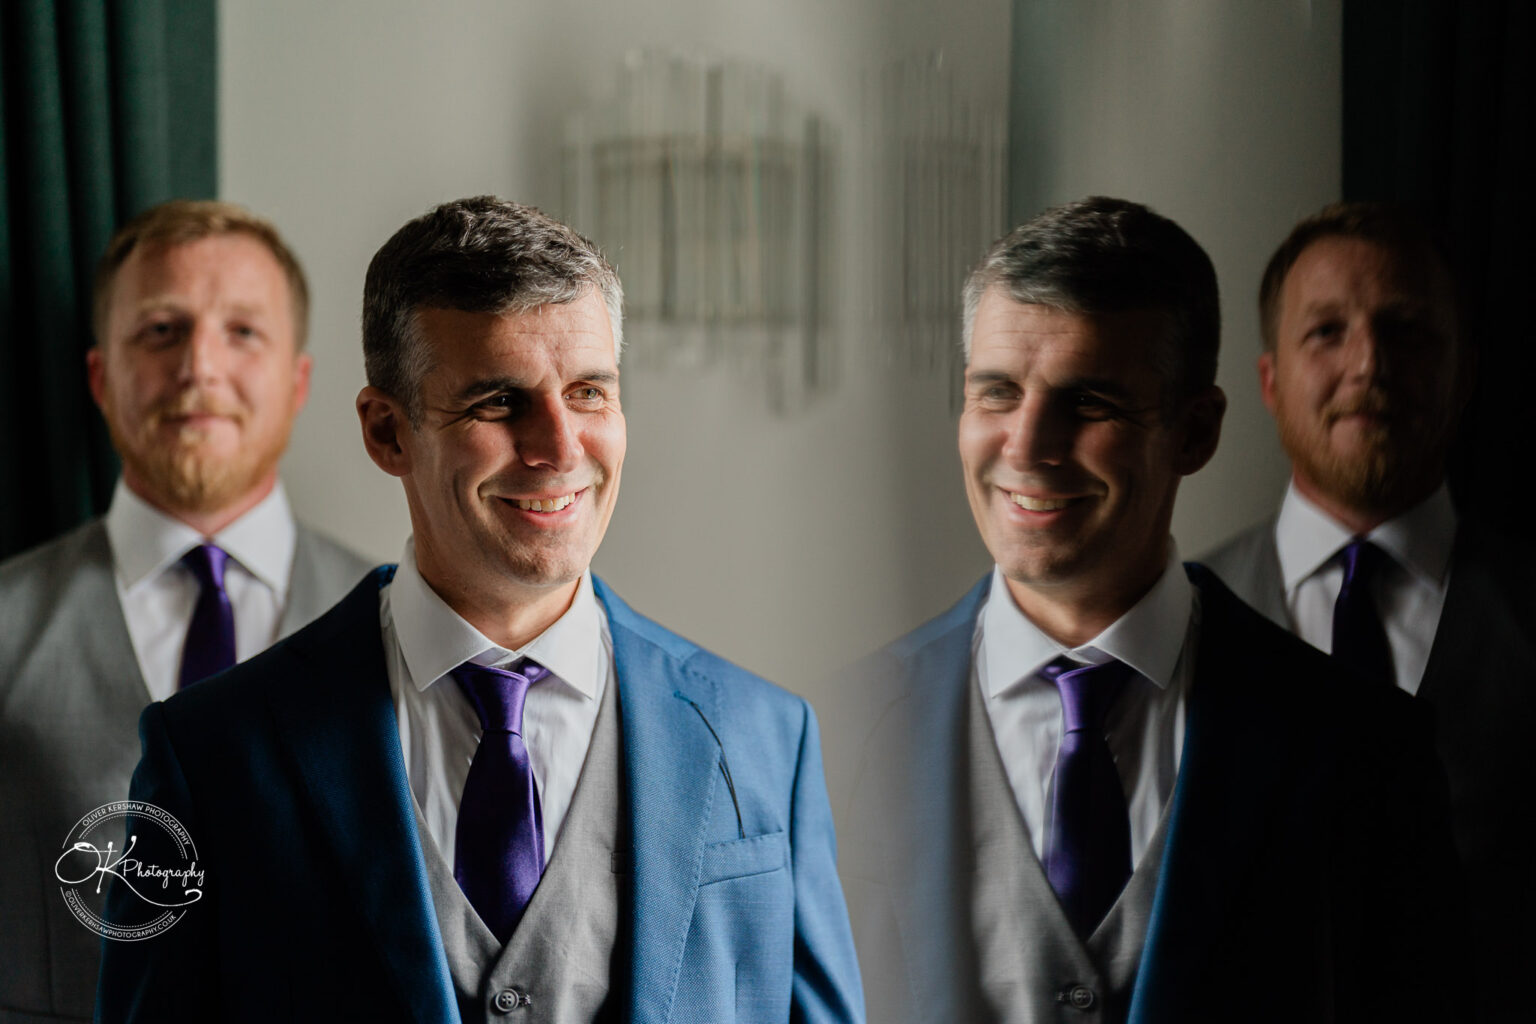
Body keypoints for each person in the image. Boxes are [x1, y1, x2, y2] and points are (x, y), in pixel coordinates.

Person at [95, 196, 863, 1023]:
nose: (561, 449)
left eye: (589, 392)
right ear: (387, 432)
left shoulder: (765, 741)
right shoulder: (211, 755)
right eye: (499, 403)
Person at [837, 197, 1463, 1023]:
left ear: (1195, 432)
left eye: (1089, 402)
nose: (1026, 446)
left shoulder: (1364, 753)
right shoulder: (835, 735)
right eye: (996, 392)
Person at [0, 200, 370, 1023]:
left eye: (243, 332)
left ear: (298, 380)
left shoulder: (395, 625)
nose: (200, 366)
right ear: (101, 377)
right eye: (162, 330)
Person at [1201, 200, 1532, 1023]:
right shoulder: (1177, 619)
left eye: (1408, 330)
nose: (1369, 363)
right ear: (1269, 381)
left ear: (1465, 373)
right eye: (1325, 332)